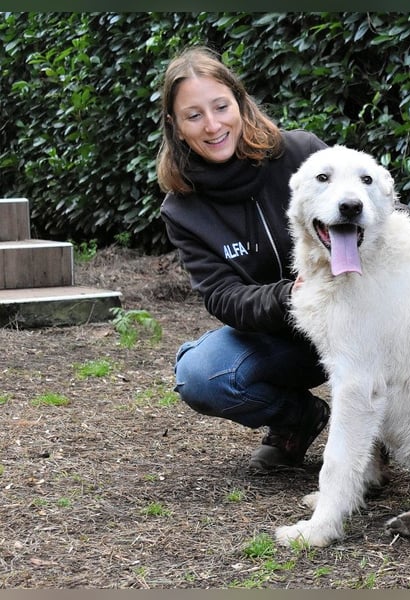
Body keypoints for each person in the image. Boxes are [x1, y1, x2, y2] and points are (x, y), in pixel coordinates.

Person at [156, 46, 330, 471]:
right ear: (175, 126)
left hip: (354, 319)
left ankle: (376, 437)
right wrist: (291, 295)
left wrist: (406, 232)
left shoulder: (302, 153)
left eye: (220, 106)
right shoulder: (181, 209)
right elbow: (223, 297)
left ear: (240, 103)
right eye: (194, 115)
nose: (213, 125)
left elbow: (366, 203)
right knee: (200, 374)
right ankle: (298, 419)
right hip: (283, 342)